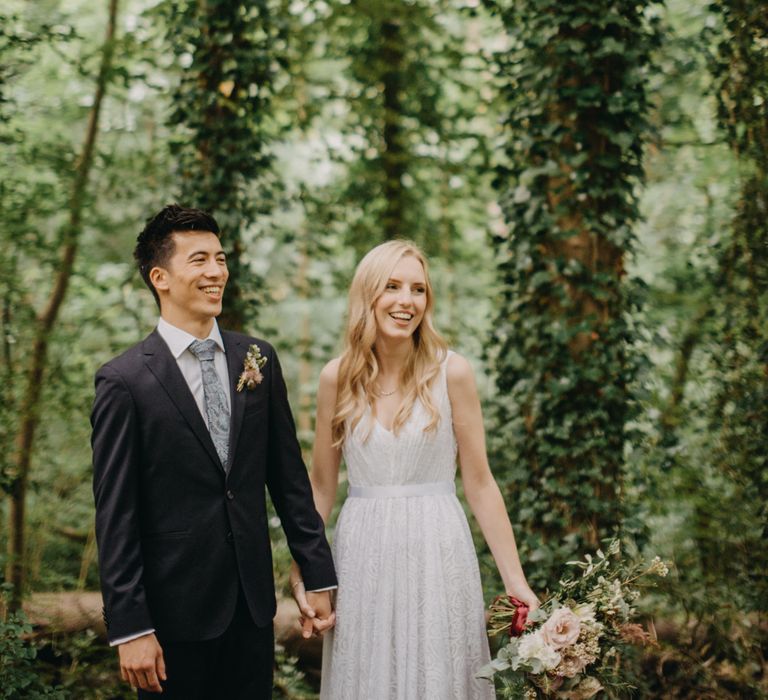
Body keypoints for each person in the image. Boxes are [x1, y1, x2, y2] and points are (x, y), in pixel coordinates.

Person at [91, 204, 337, 698]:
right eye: (200, 259)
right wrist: (131, 627)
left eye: (221, 259)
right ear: (160, 277)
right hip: (170, 616)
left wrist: (318, 573)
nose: (216, 272)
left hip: (251, 609)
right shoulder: (124, 382)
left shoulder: (258, 359)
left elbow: (288, 481)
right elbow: (116, 515)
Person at [291, 240, 539, 699]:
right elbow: (321, 489)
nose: (407, 301)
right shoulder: (336, 377)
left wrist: (515, 581)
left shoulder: (453, 373)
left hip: (437, 547)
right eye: (392, 286)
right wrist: (305, 569)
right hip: (362, 553)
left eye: (418, 290)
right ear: (368, 295)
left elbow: (480, 484)